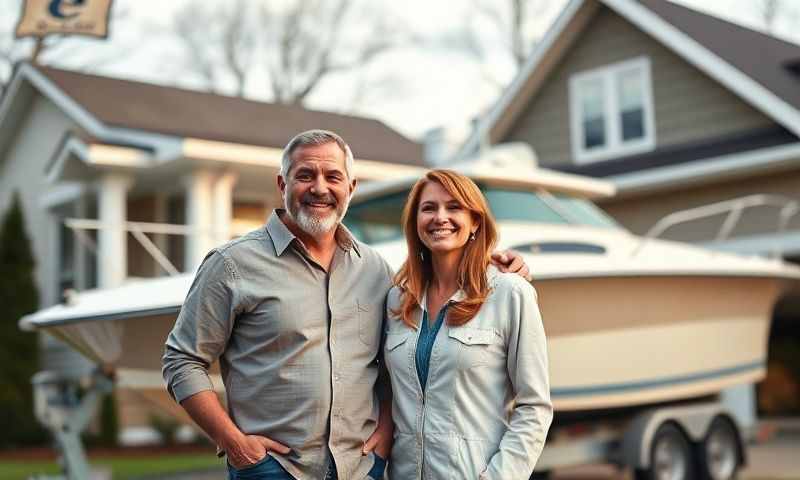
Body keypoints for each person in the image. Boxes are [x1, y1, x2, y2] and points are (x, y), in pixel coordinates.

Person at [162, 130, 530, 480]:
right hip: (274, 469)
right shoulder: (231, 264)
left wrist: (385, 428)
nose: (320, 188)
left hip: (361, 467)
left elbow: (390, 364)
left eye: (333, 176)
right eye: (305, 175)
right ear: (282, 184)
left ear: (350, 188)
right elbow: (182, 359)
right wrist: (233, 442)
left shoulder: (375, 270)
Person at [384, 170, 553, 479]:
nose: (440, 217)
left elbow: (534, 407)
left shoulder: (510, 293)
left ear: (475, 221)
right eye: (429, 208)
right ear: (415, 222)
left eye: (454, 207)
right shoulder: (397, 299)